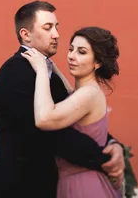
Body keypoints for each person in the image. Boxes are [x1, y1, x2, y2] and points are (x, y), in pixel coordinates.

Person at [0, 1, 125, 198]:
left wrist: (113, 144)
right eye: (47, 28)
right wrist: (103, 158)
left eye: (57, 27)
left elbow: (74, 119)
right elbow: (52, 134)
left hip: (46, 186)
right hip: (17, 187)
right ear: (26, 34)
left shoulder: (50, 74)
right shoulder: (16, 71)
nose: (56, 35)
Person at [22, 26, 122, 198]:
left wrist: (41, 71)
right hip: (73, 183)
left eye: (81, 52)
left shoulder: (89, 94)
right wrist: (50, 66)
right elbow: (69, 92)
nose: (71, 56)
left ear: (97, 62)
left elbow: (45, 118)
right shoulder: (82, 93)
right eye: (70, 49)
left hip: (84, 187)